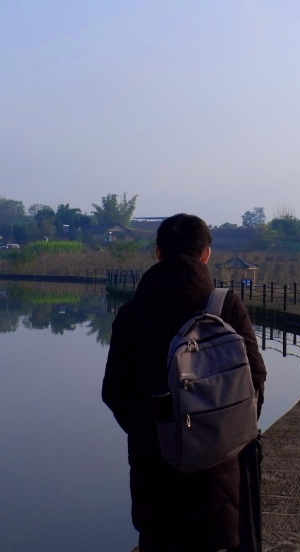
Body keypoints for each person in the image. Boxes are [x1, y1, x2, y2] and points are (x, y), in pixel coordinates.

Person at [103, 213, 267, 552]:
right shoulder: (224, 306)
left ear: (159, 253)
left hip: (153, 467)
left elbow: (114, 392)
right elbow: (256, 378)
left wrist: (154, 430)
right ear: (206, 254)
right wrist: (222, 428)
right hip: (218, 470)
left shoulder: (131, 314)